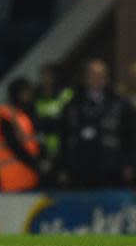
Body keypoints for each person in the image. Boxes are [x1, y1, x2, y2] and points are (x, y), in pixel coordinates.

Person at [58, 59, 135, 188]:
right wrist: (63, 167)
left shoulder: (120, 103)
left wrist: (130, 164)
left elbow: (130, 136)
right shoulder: (73, 105)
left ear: (107, 78)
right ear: (86, 78)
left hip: (112, 167)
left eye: (101, 75)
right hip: (81, 167)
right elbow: (65, 137)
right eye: (93, 75)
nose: (97, 79)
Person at [0, 78, 40, 192]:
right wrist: (35, 164)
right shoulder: (5, 115)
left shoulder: (23, 116)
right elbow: (13, 145)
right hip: (12, 180)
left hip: (29, 178)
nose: (29, 96)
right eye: (26, 93)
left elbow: (30, 142)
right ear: (16, 94)